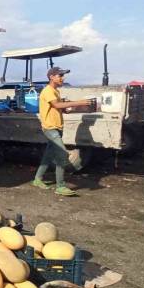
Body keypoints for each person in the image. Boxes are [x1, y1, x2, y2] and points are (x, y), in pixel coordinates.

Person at [31, 67, 92, 196]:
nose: (62, 78)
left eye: (63, 75)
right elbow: (57, 105)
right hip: (50, 128)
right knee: (62, 155)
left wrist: (70, 108)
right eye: (60, 75)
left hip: (57, 127)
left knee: (48, 155)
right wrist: (78, 102)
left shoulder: (55, 91)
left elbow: (58, 108)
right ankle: (60, 186)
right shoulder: (48, 91)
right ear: (51, 77)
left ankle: (37, 179)